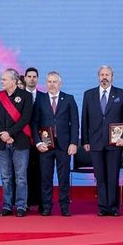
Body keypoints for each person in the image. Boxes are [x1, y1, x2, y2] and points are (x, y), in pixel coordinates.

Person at [81, 65, 123, 217]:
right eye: (102, 74)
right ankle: (103, 207)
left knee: (112, 176)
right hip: (95, 142)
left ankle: (114, 207)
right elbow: (85, 119)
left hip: (114, 143)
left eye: (107, 74)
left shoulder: (121, 94)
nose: (104, 77)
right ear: (98, 77)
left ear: (112, 77)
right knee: (100, 176)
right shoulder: (88, 94)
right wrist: (85, 141)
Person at [31, 71, 78, 217]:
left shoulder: (69, 99)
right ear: (46, 84)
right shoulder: (40, 100)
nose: (52, 84)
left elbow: (75, 123)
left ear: (60, 83)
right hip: (46, 145)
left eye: (55, 82)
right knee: (46, 177)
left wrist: (74, 143)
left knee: (63, 178)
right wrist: (38, 142)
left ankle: (64, 207)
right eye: (49, 82)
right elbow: (34, 123)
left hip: (64, 145)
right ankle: (46, 207)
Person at [0, 68, 32, 217]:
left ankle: (21, 205)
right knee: (5, 177)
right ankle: (7, 206)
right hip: (2, 142)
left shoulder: (26, 96)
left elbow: (25, 119)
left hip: (20, 141)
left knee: (20, 177)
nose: (1, 82)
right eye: (1, 79)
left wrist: (10, 133)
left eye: (4, 79)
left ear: (14, 81)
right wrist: (4, 134)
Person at [22, 67, 43, 212]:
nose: (32, 79)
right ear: (24, 78)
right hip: (23, 140)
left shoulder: (43, 97)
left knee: (41, 171)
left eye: (34, 76)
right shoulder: (20, 96)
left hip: (41, 140)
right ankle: (26, 202)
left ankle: (42, 202)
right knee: (25, 171)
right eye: (29, 76)